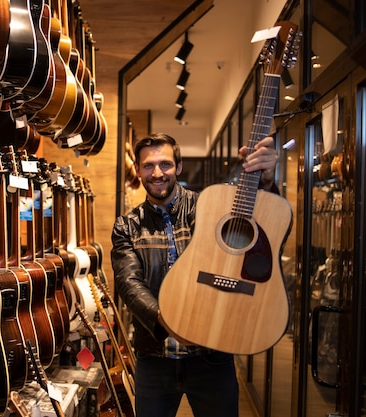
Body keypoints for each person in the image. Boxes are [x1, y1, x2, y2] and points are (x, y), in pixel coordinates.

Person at [110, 133, 279, 417]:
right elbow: (130, 284)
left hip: (213, 357)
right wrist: (168, 321)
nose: (157, 173)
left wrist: (265, 182)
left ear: (179, 166)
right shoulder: (126, 226)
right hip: (155, 358)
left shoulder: (210, 209)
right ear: (138, 171)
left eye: (165, 164)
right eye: (148, 166)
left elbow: (260, 232)